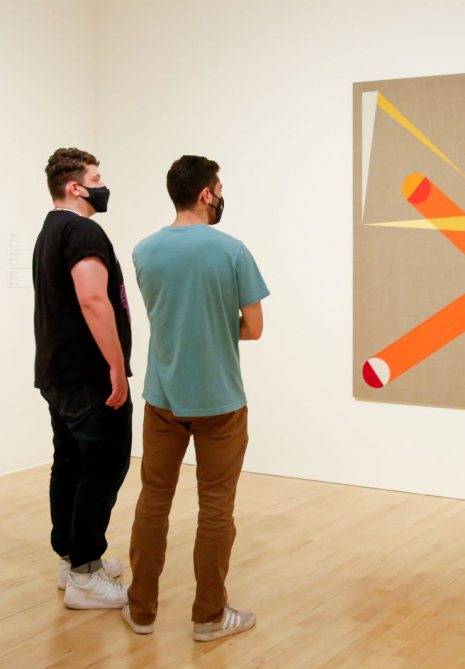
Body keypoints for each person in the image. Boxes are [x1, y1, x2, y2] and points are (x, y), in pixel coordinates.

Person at [123, 155, 269, 642]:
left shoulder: (144, 251)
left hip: (163, 397)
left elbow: (164, 315)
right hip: (220, 401)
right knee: (215, 508)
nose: (222, 196)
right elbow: (253, 328)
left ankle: (141, 610)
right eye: (220, 188)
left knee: (153, 502)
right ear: (206, 193)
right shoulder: (232, 250)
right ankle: (208, 617)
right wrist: (217, 326)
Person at [32, 147, 133, 610]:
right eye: (96, 176)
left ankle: (71, 555)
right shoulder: (82, 229)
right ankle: (85, 573)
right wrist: (116, 365)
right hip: (89, 374)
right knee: (103, 466)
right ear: (75, 187)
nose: (101, 184)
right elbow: (94, 300)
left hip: (57, 372)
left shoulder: (50, 230)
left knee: (69, 464)